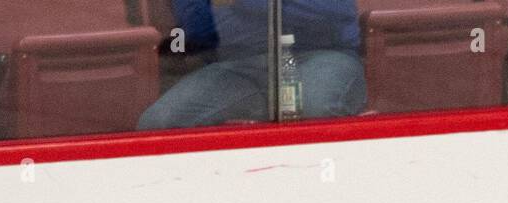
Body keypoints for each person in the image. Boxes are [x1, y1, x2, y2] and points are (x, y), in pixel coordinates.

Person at [139, 0, 365, 129]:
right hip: (239, 66)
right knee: (159, 122)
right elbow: (198, 27)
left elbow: (333, 15)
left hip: (320, 56)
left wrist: (243, 4)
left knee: (314, 110)